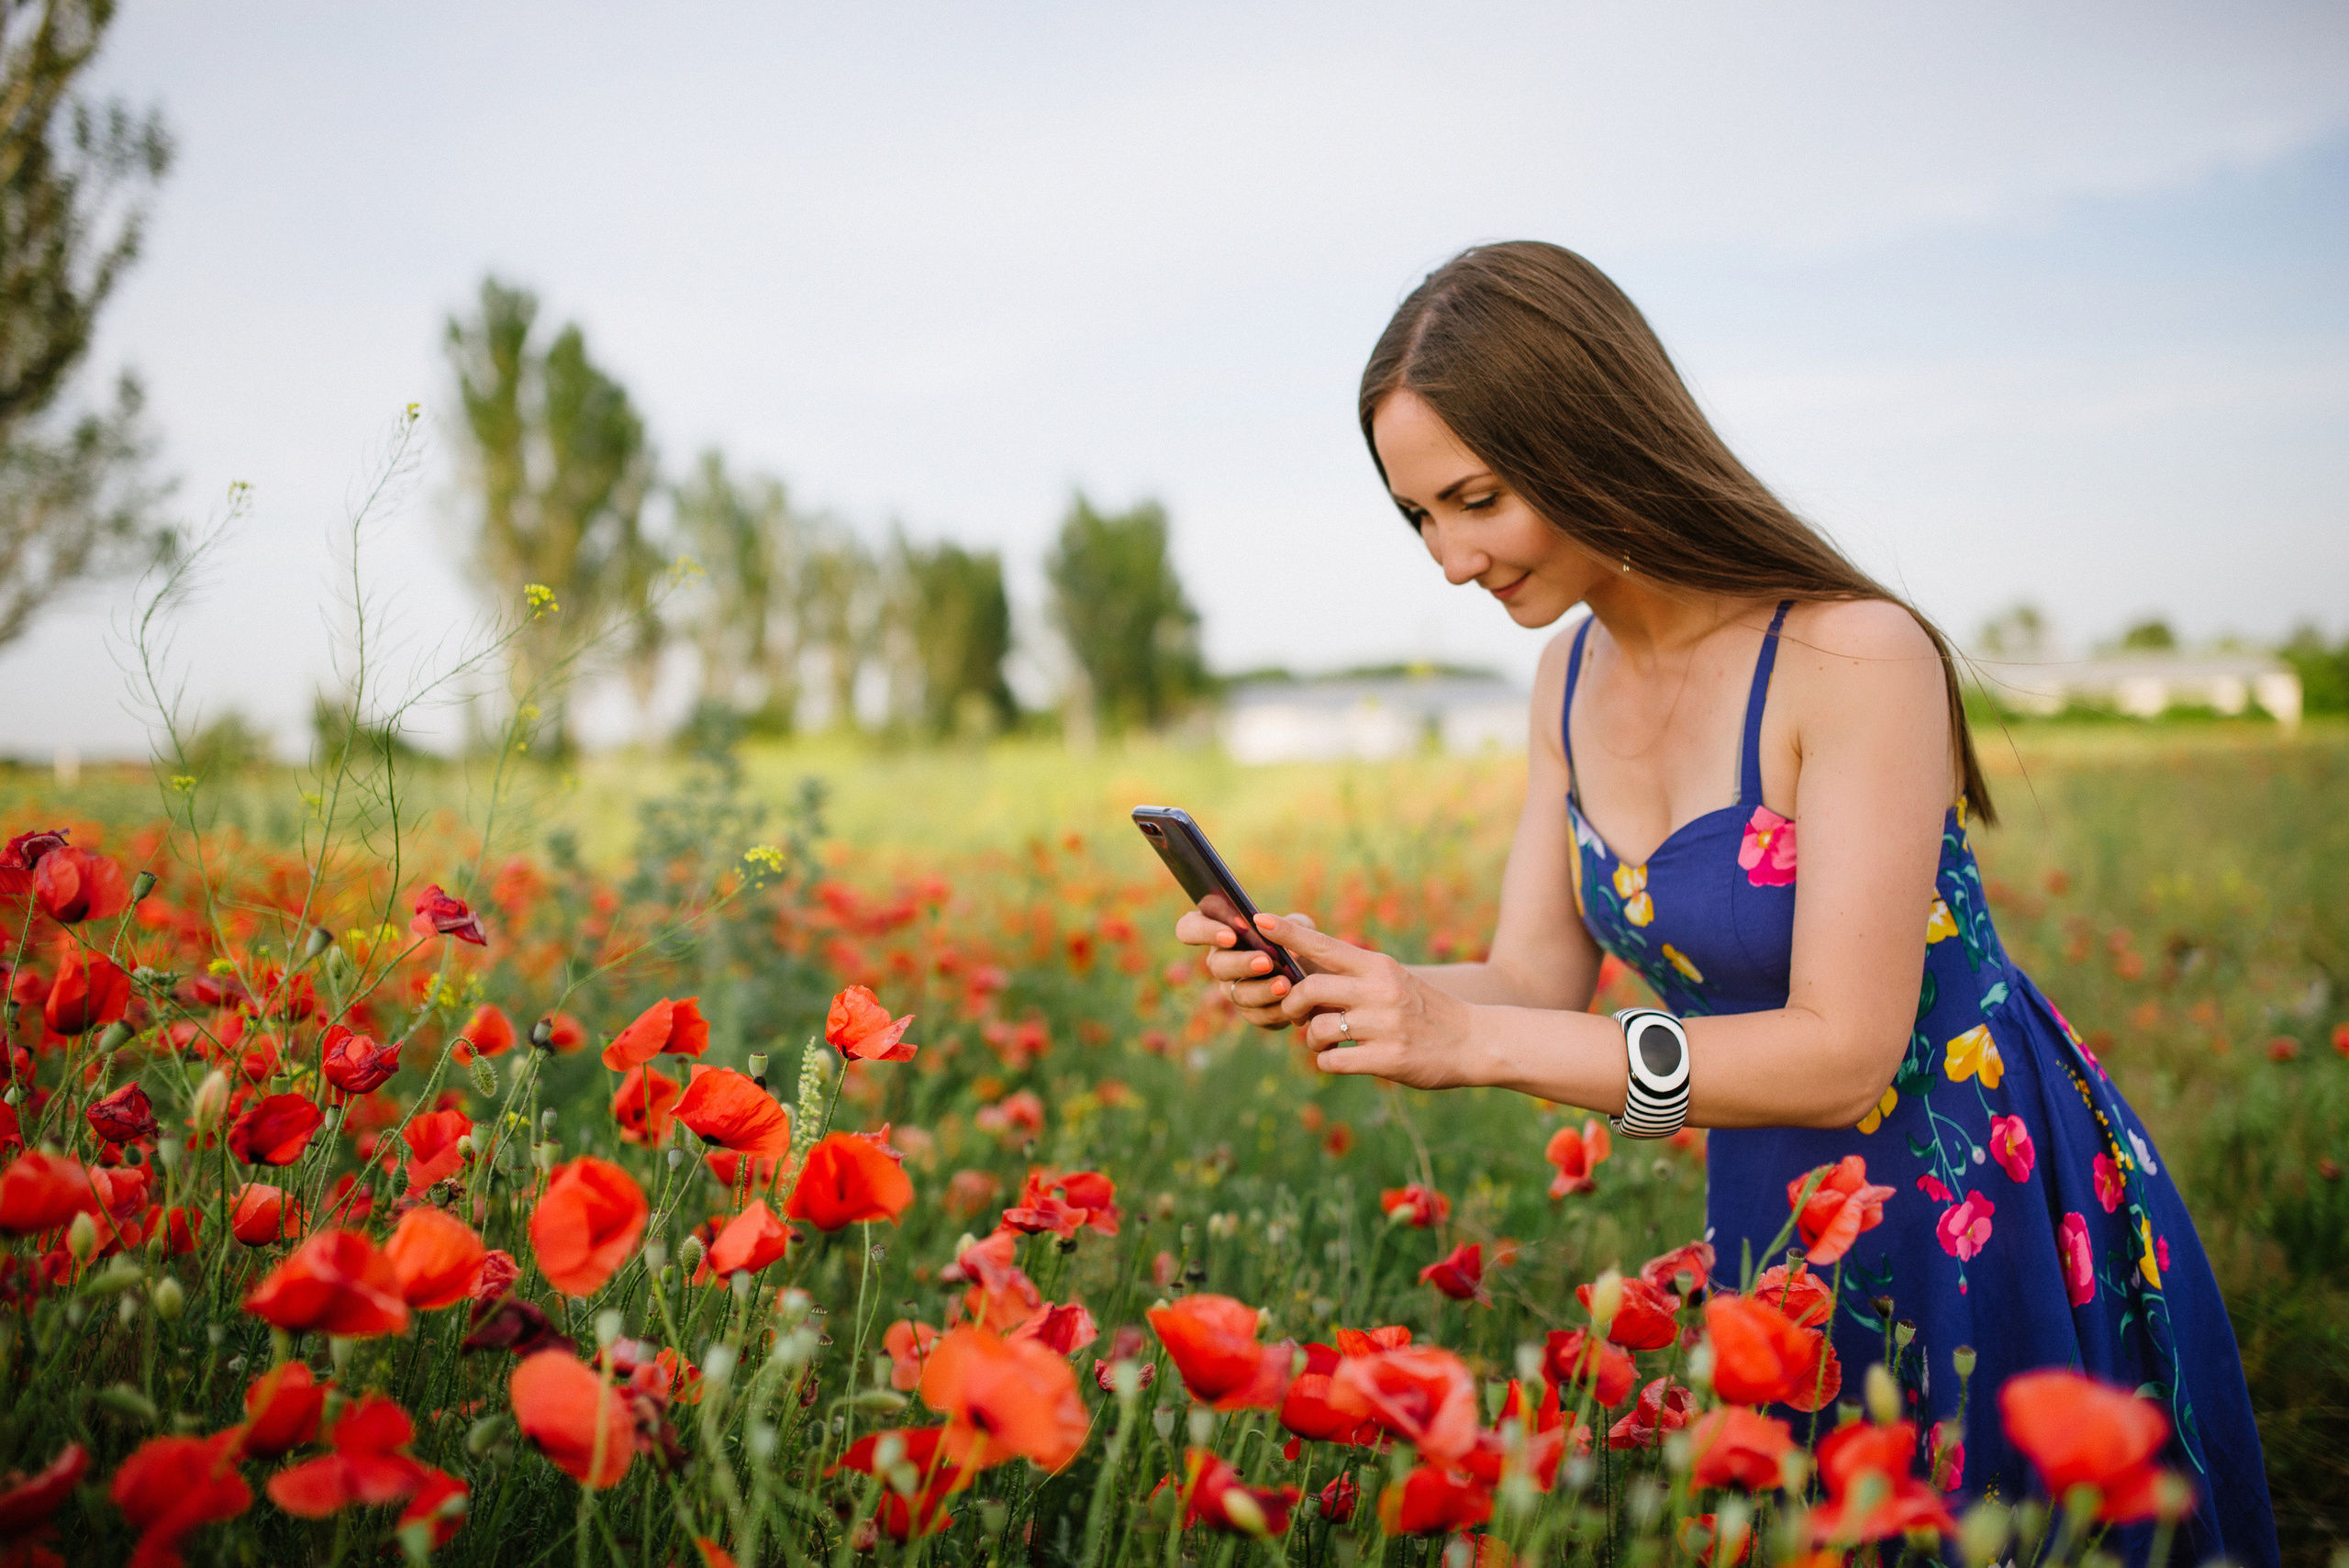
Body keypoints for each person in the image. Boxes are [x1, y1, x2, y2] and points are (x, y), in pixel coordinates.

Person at [1176, 241, 2276, 1562]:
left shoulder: (1850, 653)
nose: (1451, 560)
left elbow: (1842, 1048)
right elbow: (1530, 980)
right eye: (1418, 516)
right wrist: (1350, 978)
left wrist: (1466, 1042)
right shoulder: (1566, 682)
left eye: (1476, 498)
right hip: (1772, 1212)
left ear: (1588, 438)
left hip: (1965, 1196)